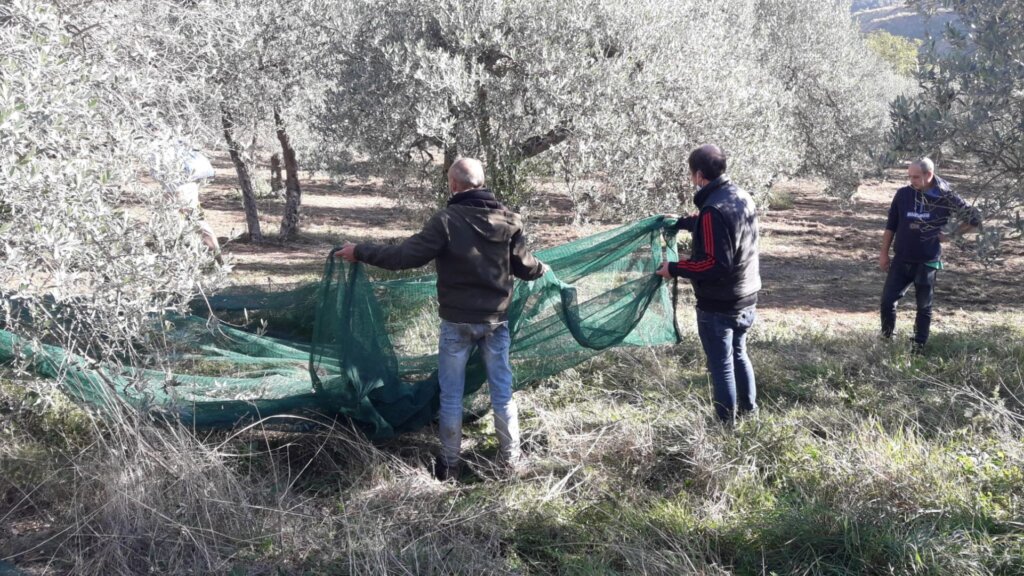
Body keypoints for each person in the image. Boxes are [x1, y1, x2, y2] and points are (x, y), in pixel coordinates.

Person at [337, 158, 547, 480]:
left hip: (456, 324)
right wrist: (543, 268)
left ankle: (449, 466)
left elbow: (405, 256)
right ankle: (512, 461)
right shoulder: (509, 221)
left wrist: (361, 251)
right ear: (482, 182)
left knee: (451, 395)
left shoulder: (446, 221)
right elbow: (526, 268)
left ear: (453, 185)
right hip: (495, 323)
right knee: (502, 393)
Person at [657, 144, 761, 425]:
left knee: (722, 365)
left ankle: (726, 425)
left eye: (692, 174)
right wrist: (681, 223)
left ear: (700, 175)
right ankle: (749, 415)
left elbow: (715, 264)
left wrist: (674, 268)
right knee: (739, 355)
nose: (692, 179)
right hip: (747, 297)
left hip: (721, 304)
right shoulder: (740, 196)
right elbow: (719, 228)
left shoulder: (713, 209)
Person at [879, 157, 980, 350]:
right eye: (909, 176)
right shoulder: (903, 194)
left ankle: (919, 346)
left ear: (929, 175)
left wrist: (951, 235)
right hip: (901, 258)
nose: (912, 181)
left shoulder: (946, 195)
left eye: (916, 177)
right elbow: (891, 226)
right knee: (887, 301)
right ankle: (886, 340)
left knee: (924, 306)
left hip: (927, 261)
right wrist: (884, 253)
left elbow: (974, 218)